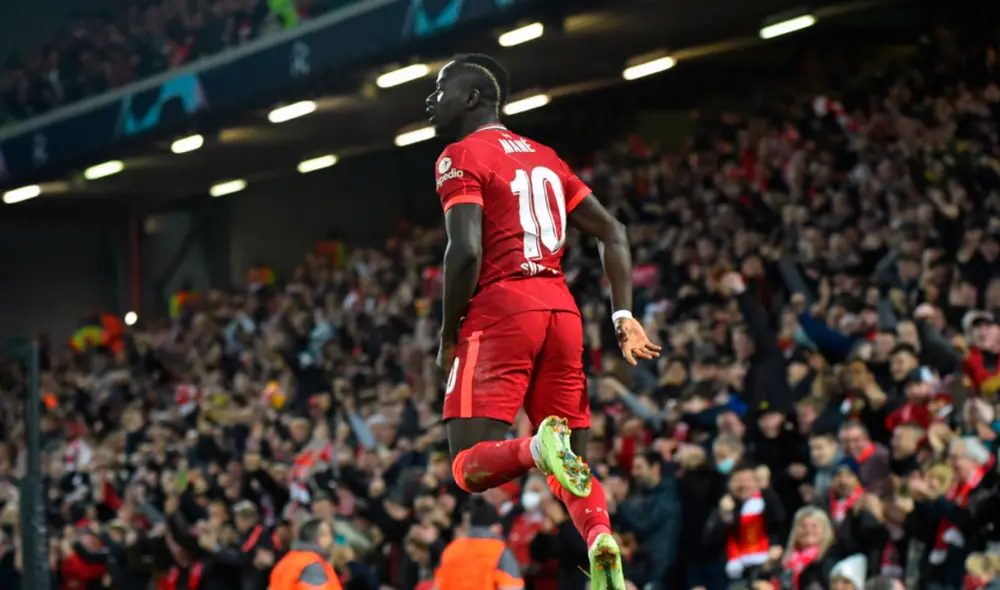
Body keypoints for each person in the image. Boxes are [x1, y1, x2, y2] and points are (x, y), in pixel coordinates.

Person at [424, 53, 660, 590]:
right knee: (570, 460)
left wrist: (447, 335)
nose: (431, 100)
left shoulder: (458, 155)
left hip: (502, 308)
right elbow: (613, 231)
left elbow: (464, 252)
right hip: (561, 309)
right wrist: (623, 314)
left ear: (473, 98)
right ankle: (601, 536)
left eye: (441, 88)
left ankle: (533, 448)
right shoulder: (546, 157)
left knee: (466, 467)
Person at [433, 498, 524, 590]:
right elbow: (512, 587)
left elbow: (437, 586)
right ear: (495, 527)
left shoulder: (451, 550)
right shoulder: (500, 552)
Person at [269, 518, 342, 590]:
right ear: (316, 538)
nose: (331, 539)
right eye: (327, 535)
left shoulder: (288, 559)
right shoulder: (313, 565)